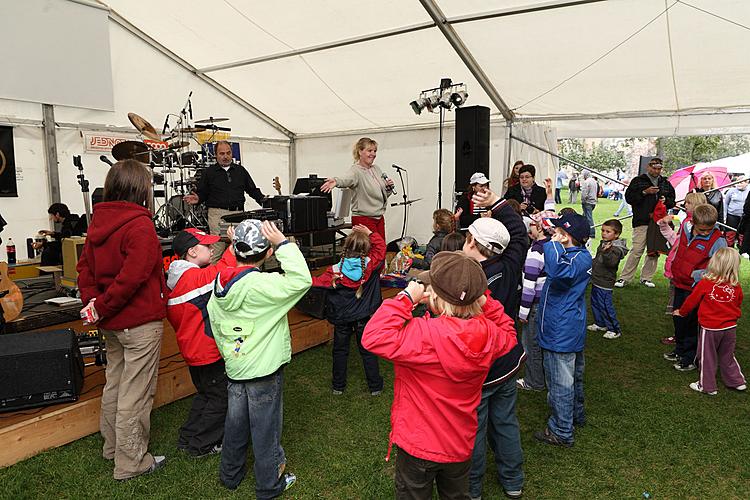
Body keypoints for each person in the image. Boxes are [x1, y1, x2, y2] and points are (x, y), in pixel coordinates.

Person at [361, 252, 517, 500]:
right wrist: (485, 300)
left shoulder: (424, 335)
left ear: (434, 294)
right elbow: (509, 332)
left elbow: (373, 337)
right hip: (459, 443)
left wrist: (404, 299)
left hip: (419, 445)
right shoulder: (490, 334)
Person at [76, 160, 168, 480]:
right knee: (135, 392)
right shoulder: (140, 225)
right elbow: (132, 278)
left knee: (115, 383)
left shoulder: (99, 220)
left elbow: (84, 268)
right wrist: (101, 305)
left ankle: (113, 448)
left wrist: (95, 304)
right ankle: (131, 462)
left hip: (112, 322)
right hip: (138, 321)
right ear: (140, 188)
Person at [208, 219, 311, 496]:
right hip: (263, 371)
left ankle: (230, 475)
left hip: (236, 365)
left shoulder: (220, 281)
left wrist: (231, 354)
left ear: (236, 250)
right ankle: (269, 484)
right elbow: (302, 280)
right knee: (266, 429)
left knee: (236, 423)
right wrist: (284, 244)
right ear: (267, 254)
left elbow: (216, 325)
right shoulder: (264, 286)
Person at [460, 217, 527, 500]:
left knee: (474, 429)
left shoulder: (472, 280)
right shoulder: (510, 264)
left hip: (484, 368)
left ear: (473, 242)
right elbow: (520, 237)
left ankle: (472, 489)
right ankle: (513, 481)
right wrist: (497, 203)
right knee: (506, 422)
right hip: (508, 362)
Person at [166, 227, 237, 458]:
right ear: (193, 251)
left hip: (193, 351)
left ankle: (187, 437)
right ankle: (201, 445)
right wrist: (234, 246)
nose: (212, 248)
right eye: (207, 246)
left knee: (206, 394)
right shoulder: (192, 279)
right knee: (221, 398)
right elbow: (222, 272)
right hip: (206, 351)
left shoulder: (178, 278)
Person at [534, 212, 592, 447]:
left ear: (568, 237)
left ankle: (561, 430)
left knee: (561, 382)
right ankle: (575, 415)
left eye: (559, 232)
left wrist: (552, 244)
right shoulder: (575, 255)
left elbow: (558, 272)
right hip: (567, 327)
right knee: (572, 376)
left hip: (561, 330)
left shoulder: (577, 259)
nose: (554, 235)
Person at [311, 225, 385, 395]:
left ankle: (338, 386)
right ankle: (375, 387)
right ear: (366, 249)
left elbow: (314, 283)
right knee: (367, 350)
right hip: (363, 316)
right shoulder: (370, 265)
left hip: (341, 317)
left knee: (340, 350)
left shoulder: (334, 271)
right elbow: (381, 248)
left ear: (344, 247)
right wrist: (370, 233)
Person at [673, 247, 746, 395]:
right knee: (727, 354)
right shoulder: (736, 286)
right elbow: (738, 302)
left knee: (707, 356)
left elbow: (691, 301)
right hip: (730, 327)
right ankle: (737, 381)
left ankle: (707, 386)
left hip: (710, 328)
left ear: (714, 263)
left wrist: (681, 312)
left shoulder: (706, 283)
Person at [663, 204, 726, 372]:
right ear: (693, 222)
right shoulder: (685, 227)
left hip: (695, 287)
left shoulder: (718, 241)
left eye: (709, 229)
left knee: (691, 323)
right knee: (678, 318)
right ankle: (680, 349)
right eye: (702, 230)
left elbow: (720, 268)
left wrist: (696, 275)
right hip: (679, 282)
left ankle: (690, 357)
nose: (705, 233)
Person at [184, 140, 266, 263]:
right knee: (217, 248)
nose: (225, 156)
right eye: (222, 153)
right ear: (215, 155)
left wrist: (265, 201)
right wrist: (198, 198)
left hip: (238, 214)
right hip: (217, 215)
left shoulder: (240, 171)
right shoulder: (209, 172)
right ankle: (213, 279)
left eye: (228, 153)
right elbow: (203, 192)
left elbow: (252, 190)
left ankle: (235, 278)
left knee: (239, 249)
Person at [616, 158, 676, 288]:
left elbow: (673, 201)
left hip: (659, 222)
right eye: (654, 168)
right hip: (642, 220)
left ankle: (646, 277)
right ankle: (625, 278)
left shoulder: (665, 183)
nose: (656, 171)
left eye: (659, 168)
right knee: (637, 249)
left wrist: (666, 200)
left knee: (654, 250)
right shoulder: (638, 181)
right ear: (648, 167)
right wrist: (644, 192)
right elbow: (629, 198)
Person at [320, 137, 394, 241]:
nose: (373, 154)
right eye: (369, 151)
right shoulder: (355, 171)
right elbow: (347, 179)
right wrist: (336, 181)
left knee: (380, 249)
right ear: (360, 151)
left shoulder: (376, 169)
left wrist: (388, 189)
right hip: (364, 219)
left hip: (379, 218)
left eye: (375, 151)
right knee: (370, 252)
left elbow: (380, 193)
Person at [516, 210, 556, 392]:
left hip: (534, 306)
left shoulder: (535, 252)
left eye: (532, 223)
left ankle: (534, 381)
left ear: (539, 227)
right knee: (543, 342)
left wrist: (523, 313)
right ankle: (545, 377)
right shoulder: (552, 246)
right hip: (548, 303)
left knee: (530, 344)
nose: (529, 225)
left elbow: (529, 286)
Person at [587, 219, 629, 339]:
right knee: (595, 303)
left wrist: (606, 252)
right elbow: (598, 259)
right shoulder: (604, 244)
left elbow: (611, 263)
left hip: (605, 282)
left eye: (608, 231)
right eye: (603, 231)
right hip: (596, 279)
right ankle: (600, 323)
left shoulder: (615, 249)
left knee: (605, 305)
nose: (604, 233)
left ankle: (614, 329)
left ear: (616, 234)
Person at [723, 179, 747, 247]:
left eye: (742, 182)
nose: (740, 184)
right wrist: (725, 216)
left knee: (742, 234)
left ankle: (741, 247)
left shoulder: (748, 191)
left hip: (744, 216)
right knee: (730, 233)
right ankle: (729, 247)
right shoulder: (731, 191)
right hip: (732, 216)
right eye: (738, 182)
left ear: (746, 183)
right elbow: (726, 203)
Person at [580, 171, 598, 239]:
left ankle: (592, 233)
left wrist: (583, 200)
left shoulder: (586, 182)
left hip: (588, 202)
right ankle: (581, 230)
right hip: (593, 201)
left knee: (589, 218)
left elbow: (584, 193)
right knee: (583, 217)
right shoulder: (594, 181)